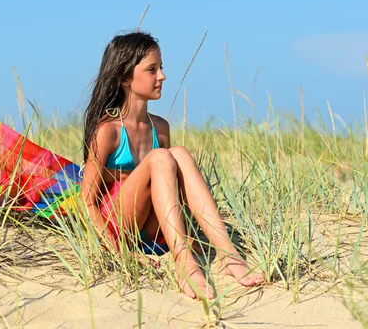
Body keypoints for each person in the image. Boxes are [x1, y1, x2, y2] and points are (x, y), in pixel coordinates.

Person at [80, 31, 265, 299]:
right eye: (152, 70)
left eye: (161, 68)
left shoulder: (160, 128)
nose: (162, 76)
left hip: (153, 228)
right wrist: (118, 251)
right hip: (119, 223)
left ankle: (229, 255)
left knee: (177, 153)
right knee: (161, 157)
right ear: (124, 78)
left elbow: (171, 186)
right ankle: (184, 263)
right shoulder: (108, 130)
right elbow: (86, 202)